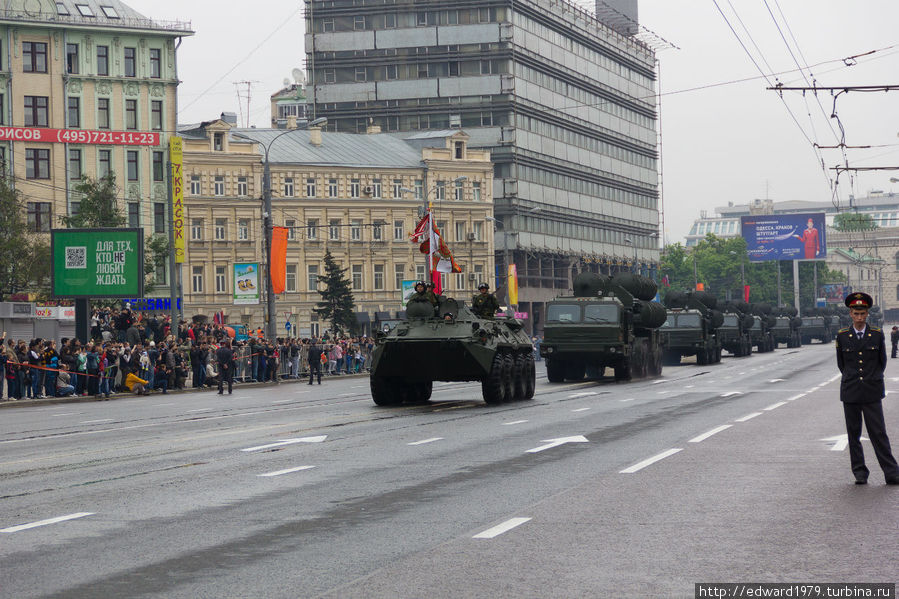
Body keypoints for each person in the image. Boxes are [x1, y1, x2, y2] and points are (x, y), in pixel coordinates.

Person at [835, 292, 899, 485]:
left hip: (871, 390)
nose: (860, 317)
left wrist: (872, 379)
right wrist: (854, 378)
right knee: (853, 434)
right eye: (856, 313)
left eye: (863, 314)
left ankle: (891, 472)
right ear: (851, 314)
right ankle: (860, 472)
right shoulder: (843, 336)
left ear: (867, 314)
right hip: (851, 390)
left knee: (878, 432)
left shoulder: (877, 335)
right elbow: (842, 364)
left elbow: (882, 362)